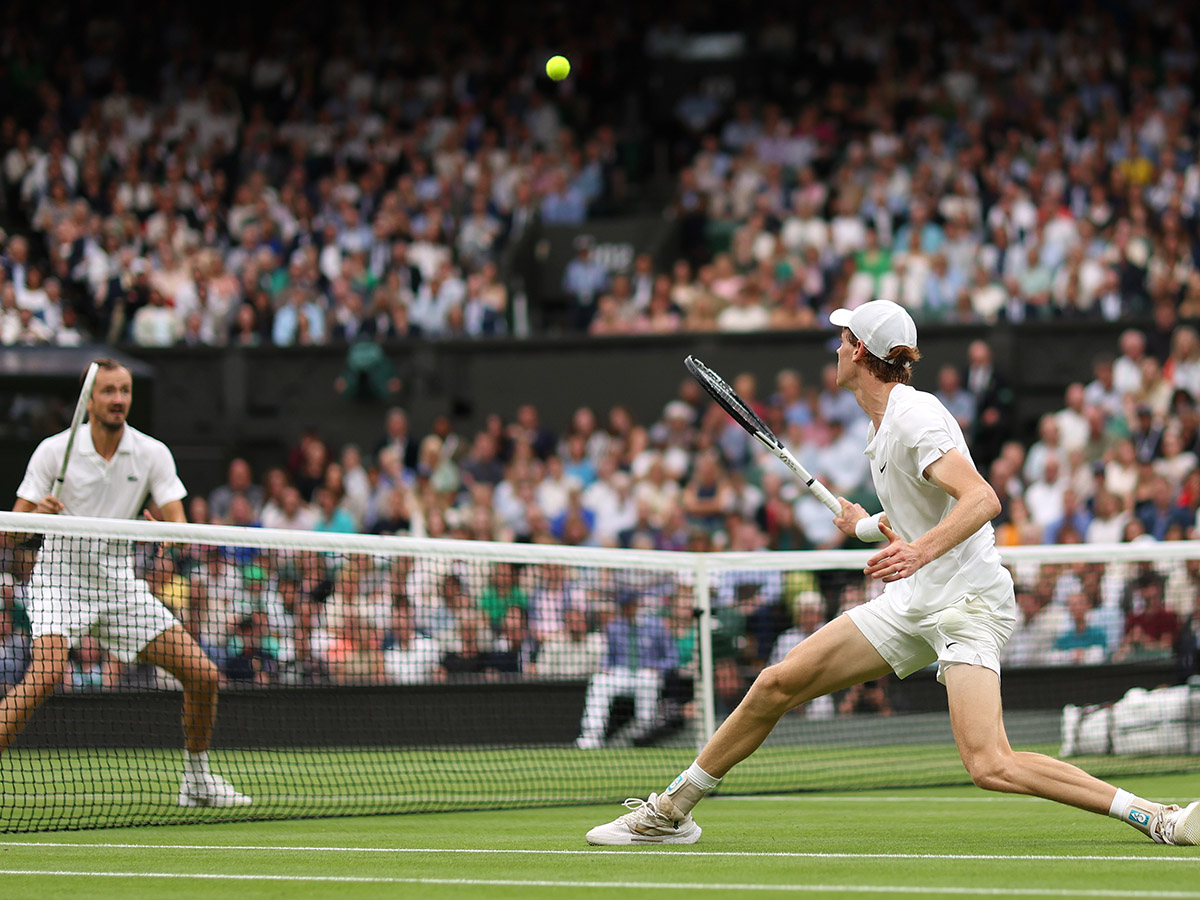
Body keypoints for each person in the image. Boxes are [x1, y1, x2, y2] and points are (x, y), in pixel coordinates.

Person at [585, 300, 1197, 847]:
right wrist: (866, 525)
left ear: (860, 351)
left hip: (967, 601)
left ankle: (1156, 816)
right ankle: (672, 810)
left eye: (843, 337)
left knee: (989, 763)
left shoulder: (914, 417)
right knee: (775, 684)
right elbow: (916, 512)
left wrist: (920, 552)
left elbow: (982, 499)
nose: (835, 346)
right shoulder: (882, 428)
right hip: (914, 599)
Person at [2, 359, 251, 808]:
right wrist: (37, 516)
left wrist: (165, 531)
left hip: (119, 587)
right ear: (88, 399)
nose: (119, 400)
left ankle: (197, 782)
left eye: (125, 391)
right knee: (45, 676)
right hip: (59, 581)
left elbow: (179, 523)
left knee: (204, 677)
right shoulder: (53, 452)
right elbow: (13, 532)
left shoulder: (151, 452)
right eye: (109, 391)